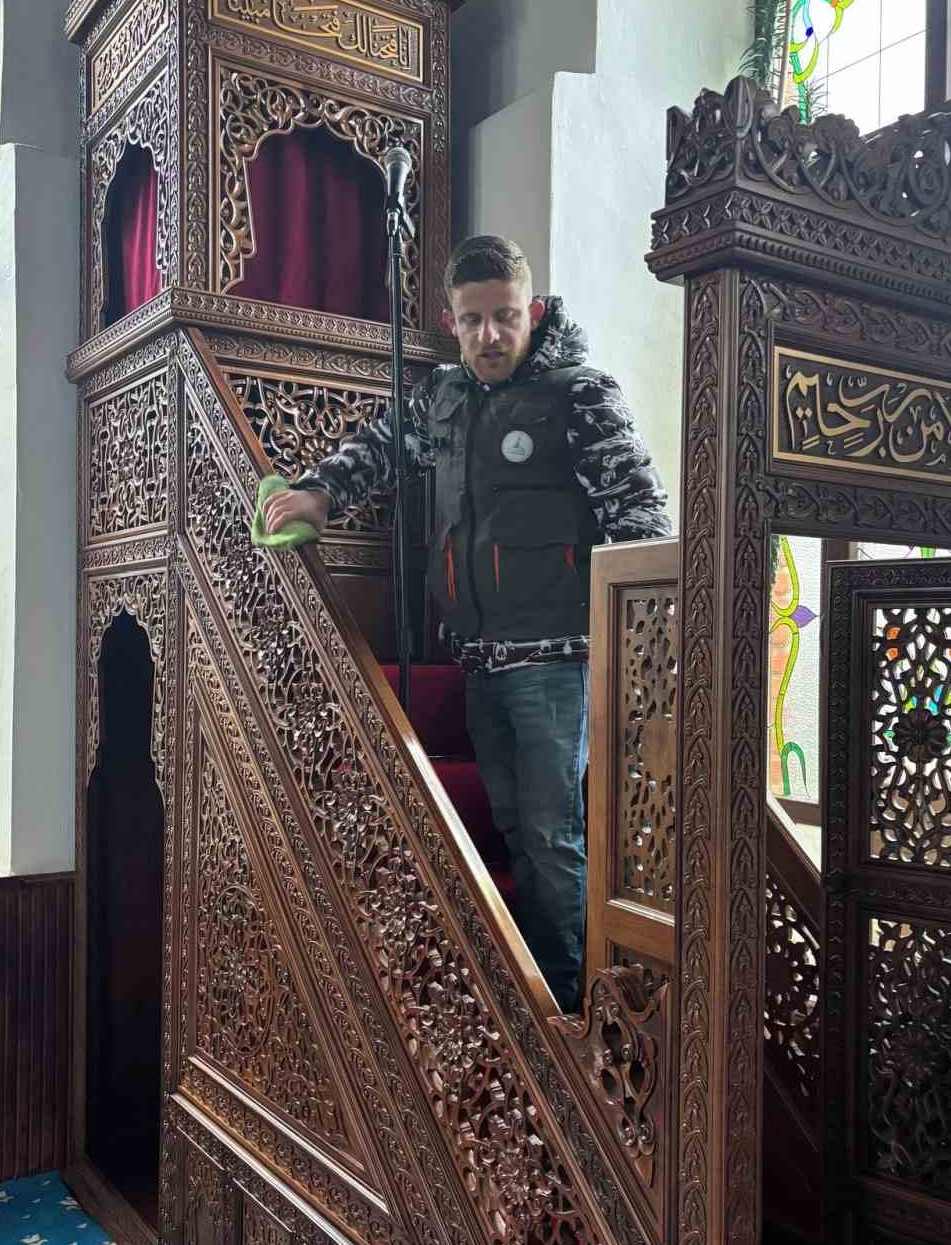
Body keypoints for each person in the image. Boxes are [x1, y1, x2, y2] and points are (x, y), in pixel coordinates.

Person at [265, 235, 671, 1010]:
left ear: (534, 312)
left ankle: (576, 1013)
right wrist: (317, 493)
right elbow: (378, 451)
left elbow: (642, 522)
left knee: (551, 841)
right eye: (474, 320)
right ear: (452, 323)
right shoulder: (443, 399)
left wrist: (641, 664)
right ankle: (541, 997)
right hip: (481, 660)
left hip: (557, 663)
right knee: (517, 831)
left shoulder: (581, 396)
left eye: (506, 317)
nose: (491, 335)